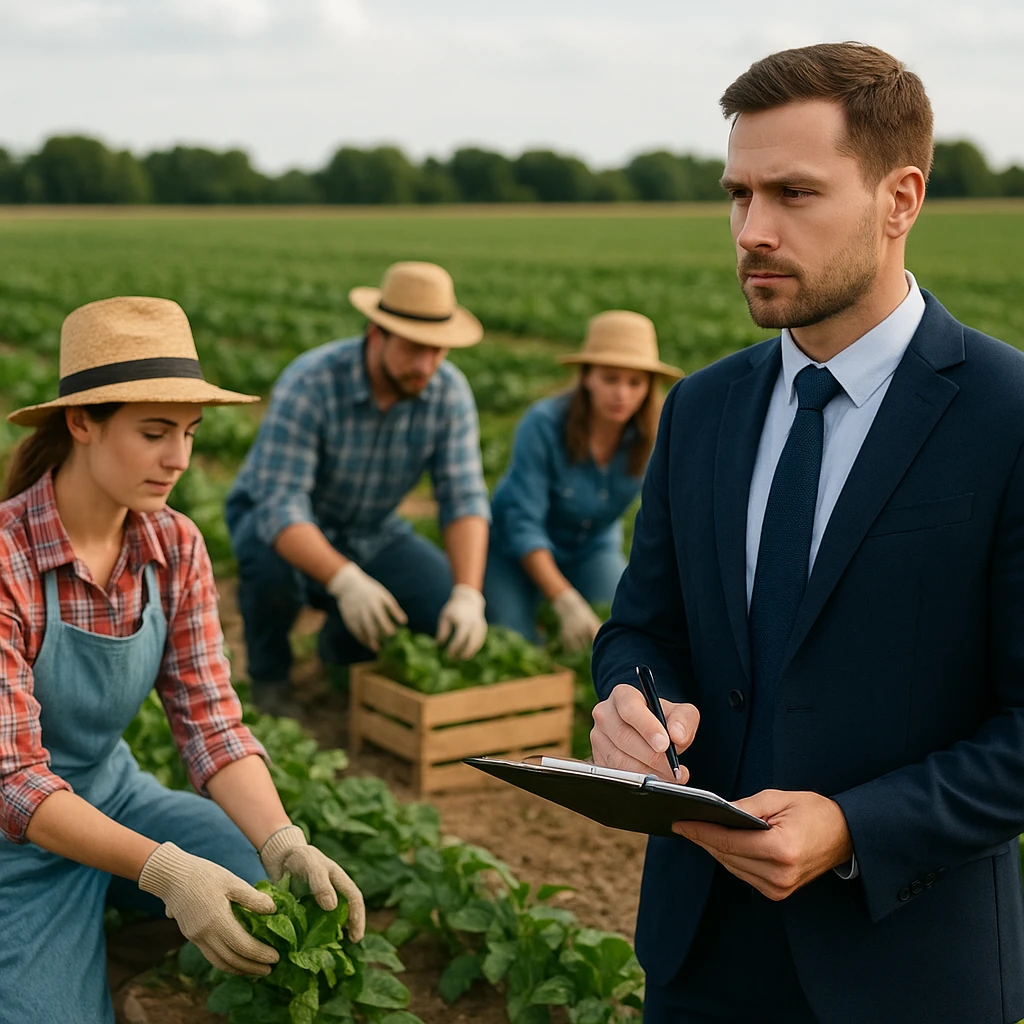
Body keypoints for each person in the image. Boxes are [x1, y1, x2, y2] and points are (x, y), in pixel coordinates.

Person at [589, 42, 1024, 1024]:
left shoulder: (1007, 416)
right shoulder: (699, 410)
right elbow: (642, 626)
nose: (752, 229)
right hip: (697, 957)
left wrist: (854, 826)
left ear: (899, 198)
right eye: (737, 195)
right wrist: (632, 698)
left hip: (907, 968)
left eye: (793, 194)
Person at [0, 296, 366, 1024]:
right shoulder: (9, 558)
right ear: (81, 422)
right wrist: (165, 871)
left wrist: (281, 837)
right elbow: (14, 782)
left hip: (114, 794)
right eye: (155, 432)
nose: (180, 459)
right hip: (16, 843)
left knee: (263, 886)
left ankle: (117, 952)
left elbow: (211, 724)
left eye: (191, 433)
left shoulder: (175, 546)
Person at [225, 261, 491, 715]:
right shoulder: (312, 382)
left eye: (438, 350)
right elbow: (280, 506)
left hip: (372, 529)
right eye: (413, 348)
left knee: (438, 601)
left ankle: (341, 647)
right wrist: (345, 580)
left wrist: (469, 592)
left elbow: (463, 496)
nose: (426, 365)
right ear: (376, 333)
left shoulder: (448, 392)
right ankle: (270, 676)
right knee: (270, 570)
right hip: (284, 527)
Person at [485, 310, 681, 648]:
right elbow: (522, 524)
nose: (622, 393)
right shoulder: (543, 425)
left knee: (622, 632)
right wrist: (564, 599)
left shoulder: (654, 436)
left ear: (649, 387)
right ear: (586, 376)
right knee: (512, 639)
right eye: (610, 379)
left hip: (592, 546)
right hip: (513, 549)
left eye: (635, 382)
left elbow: (672, 521)